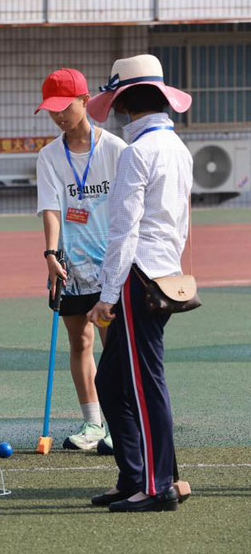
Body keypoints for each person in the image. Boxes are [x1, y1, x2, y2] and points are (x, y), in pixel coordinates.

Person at [86, 54, 193, 512]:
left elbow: (124, 230)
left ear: (125, 103)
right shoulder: (177, 148)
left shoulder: (137, 152)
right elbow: (180, 220)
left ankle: (156, 484)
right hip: (165, 272)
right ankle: (135, 475)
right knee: (112, 381)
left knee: (143, 382)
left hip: (137, 276)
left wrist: (106, 296)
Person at [34, 68, 126, 452]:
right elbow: (51, 208)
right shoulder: (48, 156)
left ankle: (121, 425)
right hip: (70, 267)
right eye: (52, 110)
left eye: (64, 107)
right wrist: (51, 254)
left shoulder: (116, 150)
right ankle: (92, 424)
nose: (58, 116)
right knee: (79, 343)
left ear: (85, 101)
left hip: (110, 267)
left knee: (113, 347)